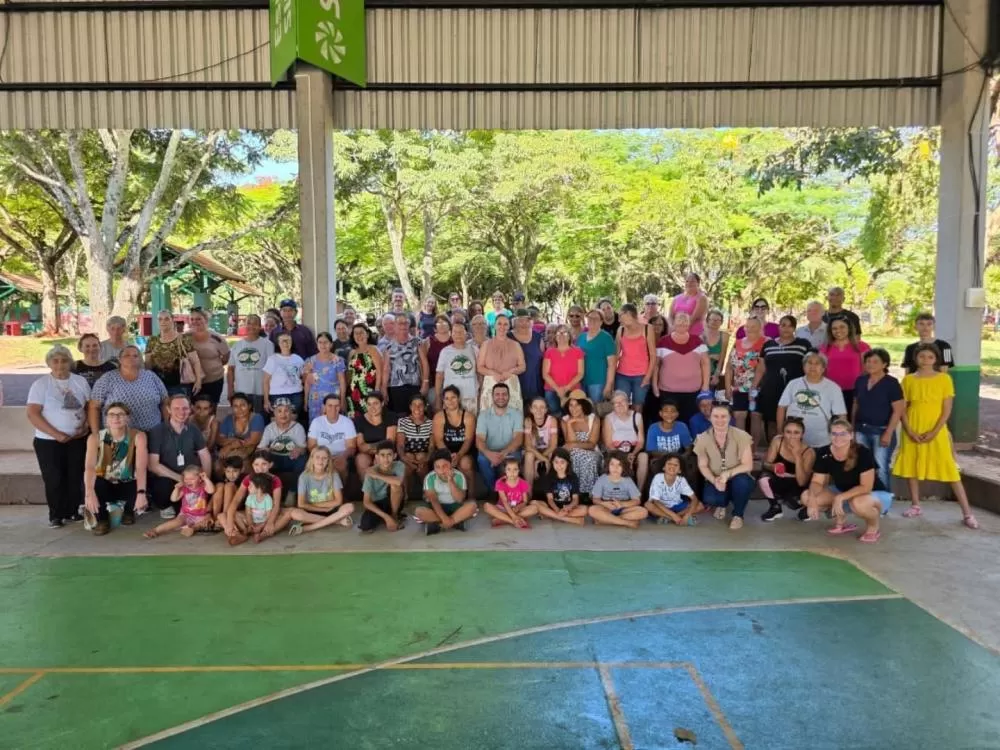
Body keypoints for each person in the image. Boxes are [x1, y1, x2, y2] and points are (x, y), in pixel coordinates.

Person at [893, 343, 979, 528]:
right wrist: (909, 430)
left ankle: (967, 513)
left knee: (950, 468)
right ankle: (915, 505)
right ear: (915, 358)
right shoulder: (908, 380)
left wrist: (935, 431)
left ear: (936, 360)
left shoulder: (944, 379)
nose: (925, 360)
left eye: (930, 357)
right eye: (922, 356)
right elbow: (903, 408)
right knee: (912, 466)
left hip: (936, 429)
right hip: (913, 428)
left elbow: (946, 409)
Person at [27, 344, 92, 528]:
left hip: (77, 439)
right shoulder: (40, 385)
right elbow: (32, 413)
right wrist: (56, 434)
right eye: (55, 361)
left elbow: (89, 407)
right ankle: (56, 515)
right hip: (48, 441)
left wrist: (85, 427)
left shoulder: (80, 381)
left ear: (70, 362)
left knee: (75, 476)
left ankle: (73, 511)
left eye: (64, 360)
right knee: (54, 478)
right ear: (49, 363)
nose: (60, 364)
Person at [800, 419, 892, 543]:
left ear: (851, 435)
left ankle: (873, 527)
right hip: (844, 492)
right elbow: (817, 482)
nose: (838, 437)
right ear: (829, 435)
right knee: (806, 496)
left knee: (858, 503)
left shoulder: (863, 452)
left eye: (843, 434)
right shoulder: (823, 452)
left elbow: (866, 487)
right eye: (834, 434)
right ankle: (841, 522)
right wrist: (812, 499)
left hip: (873, 494)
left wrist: (840, 497)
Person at [82, 402, 148, 535]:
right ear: (106, 419)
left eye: (120, 414)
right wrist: (89, 492)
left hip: (127, 482)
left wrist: (141, 493)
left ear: (127, 418)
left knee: (144, 481)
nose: (116, 418)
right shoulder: (95, 438)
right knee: (90, 484)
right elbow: (89, 467)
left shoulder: (138, 436)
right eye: (111, 415)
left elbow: (141, 467)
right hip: (105, 483)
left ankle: (128, 511)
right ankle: (102, 519)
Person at [147, 394, 212, 519]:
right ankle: (165, 506)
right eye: (176, 408)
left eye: (185, 408)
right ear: (168, 409)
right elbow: (153, 465)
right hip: (169, 478)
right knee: (163, 487)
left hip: (191, 478)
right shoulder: (157, 431)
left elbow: (204, 455)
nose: (181, 412)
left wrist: (205, 479)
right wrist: (181, 479)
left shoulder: (193, 429)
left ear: (190, 409)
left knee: (193, 511)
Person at [693, 402, 754, 529]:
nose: (720, 420)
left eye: (723, 416)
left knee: (742, 484)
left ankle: (738, 515)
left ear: (730, 418)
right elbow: (703, 465)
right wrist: (714, 480)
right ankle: (722, 504)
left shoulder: (741, 435)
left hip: (738, 476)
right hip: (716, 477)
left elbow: (748, 465)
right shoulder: (702, 438)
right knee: (710, 498)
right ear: (710, 418)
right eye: (716, 416)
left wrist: (727, 474)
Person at [852, 349, 905, 492]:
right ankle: (865, 497)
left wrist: (888, 433)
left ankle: (883, 500)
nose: (870, 364)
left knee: (881, 467)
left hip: (881, 431)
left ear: (884, 364)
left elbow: (898, 410)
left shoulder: (891, 383)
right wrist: (852, 427)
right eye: (868, 361)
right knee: (862, 466)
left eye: (875, 361)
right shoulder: (861, 381)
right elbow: (856, 405)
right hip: (861, 430)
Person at [89, 346, 169, 433]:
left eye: (135, 356)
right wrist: (95, 434)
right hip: (117, 435)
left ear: (140, 359)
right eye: (127, 355)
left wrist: (168, 427)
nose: (131, 358)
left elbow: (165, 401)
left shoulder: (151, 376)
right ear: (120, 359)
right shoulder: (107, 379)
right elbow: (94, 407)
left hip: (153, 432)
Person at [776, 352, 847, 450]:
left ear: (823, 368)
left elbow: (841, 415)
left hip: (821, 441)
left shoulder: (833, 388)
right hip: (793, 439)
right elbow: (781, 407)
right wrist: (780, 432)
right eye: (809, 363)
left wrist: (841, 438)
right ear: (803, 366)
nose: (813, 366)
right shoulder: (793, 384)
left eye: (817, 363)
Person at [758, 316, 812, 441]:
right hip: (771, 389)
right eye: (783, 325)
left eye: (790, 325)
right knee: (772, 421)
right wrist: (754, 387)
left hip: (796, 390)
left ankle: (795, 449)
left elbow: (811, 365)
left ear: (794, 328)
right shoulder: (768, 345)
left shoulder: (803, 344)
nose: (786, 328)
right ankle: (775, 448)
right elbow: (761, 369)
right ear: (779, 327)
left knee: (796, 421)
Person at [653, 312, 710, 425]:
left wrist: (705, 386)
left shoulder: (698, 341)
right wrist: (654, 385)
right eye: (679, 320)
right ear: (673, 323)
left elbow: (705, 363)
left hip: (693, 392)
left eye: (685, 321)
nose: (682, 323)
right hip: (668, 391)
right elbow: (656, 365)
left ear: (689, 324)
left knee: (690, 421)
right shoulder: (663, 341)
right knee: (669, 421)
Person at [758, 417, 814, 522]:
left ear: (802, 434)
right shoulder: (777, 441)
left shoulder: (809, 452)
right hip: (780, 479)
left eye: (796, 433)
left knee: (794, 503)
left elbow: (802, 482)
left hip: (797, 484)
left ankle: (806, 508)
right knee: (763, 478)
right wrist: (773, 466)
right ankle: (775, 508)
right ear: (783, 433)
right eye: (788, 432)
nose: (792, 436)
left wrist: (797, 456)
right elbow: (765, 464)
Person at [290, 446, 356, 535]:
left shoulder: (333, 475)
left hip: (331, 509)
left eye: (324, 458)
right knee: (295, 514)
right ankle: (337, 521)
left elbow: (338, 501)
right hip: (311, 511)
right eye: (317, 457)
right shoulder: (304, 477)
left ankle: (307, 528)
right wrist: (322, 509)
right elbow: (301, 504)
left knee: (349, 507)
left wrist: (318, 505)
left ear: (328, 461)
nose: (320, 461)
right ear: (312, 459)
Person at [223, 451, 285, 542]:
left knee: (287, 514)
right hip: (253, 513)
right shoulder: (248, 478)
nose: (260, 468)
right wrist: (229, 523)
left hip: (268, 513)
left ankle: (262, 533)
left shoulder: (275, 480)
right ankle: (240, 534)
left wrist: (270, 522)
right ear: (252, 465)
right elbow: (236, 500)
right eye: (256, 464)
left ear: (270, 465)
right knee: (225, 515)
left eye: (264, 464)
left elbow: (276, 504)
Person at [415, 449, 479, 535]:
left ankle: (438, 525)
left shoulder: (459, 476)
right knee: (419, 512)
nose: (441, 470)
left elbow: (459, 499)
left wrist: (450, 481)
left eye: (444, 466)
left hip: (455, 507)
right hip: (436, 508)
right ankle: (455, 522)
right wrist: (445, 518)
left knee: (473, 507)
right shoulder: (429, 477)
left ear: (451, 464)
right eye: (437, 467)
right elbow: (433, 500)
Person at [475, 382, 524, 492]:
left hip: (510, 451)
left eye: (504, 394)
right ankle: (494, 491)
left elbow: (518, 439)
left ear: (509, 396)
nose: (501, 397)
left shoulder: (516, 414)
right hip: (490, 451)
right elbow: (479, 440)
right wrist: (488, 453)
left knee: (514, 458)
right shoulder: (483, 415)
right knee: (482, 458)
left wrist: (504, 453)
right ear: (492, 397)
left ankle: (509, 491)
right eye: (497, 394)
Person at [143, 465, 215, 538]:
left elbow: (211, 490)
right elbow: (173, 499)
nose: (188, 481)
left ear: (200, 479)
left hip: (200, 515)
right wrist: (176, 488)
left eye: (192, 479)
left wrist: (206, 479)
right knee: (177, 522)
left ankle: (192, 529)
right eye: (186, 479)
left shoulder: (203, 486)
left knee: (204, 522)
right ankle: (156, 530)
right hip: (186, 514)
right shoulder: (184, 488)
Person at [724, 315, 766, 435]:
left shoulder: (765, 342)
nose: (750, 329)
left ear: (760, 328)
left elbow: (762, 368)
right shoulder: (737, 343)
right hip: (739, 388)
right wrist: (728, 388)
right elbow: (729, 367)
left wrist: (753, 387)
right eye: (747, 326)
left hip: (758, 388)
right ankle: (741, 445)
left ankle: (753, 446)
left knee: (755, 416)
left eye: (753, 326)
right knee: (739, 415)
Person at [145, 310, 202, 396]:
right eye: (160, 319)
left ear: (172, 320)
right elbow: (148, 364)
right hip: (158, 386)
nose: (163, 322)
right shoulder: (152, 341)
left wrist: (198, 381)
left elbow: (195, 361)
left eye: (166, 319)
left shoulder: (183, 339)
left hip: (180, 386)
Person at [820, 318, 870, 415]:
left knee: (853, 418)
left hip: (855, 391)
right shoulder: (825, 347)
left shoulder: (862, 346)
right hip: (831, 390)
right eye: (834, 328)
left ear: (849, 328)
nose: (838, 330)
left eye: (842, 327)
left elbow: (867, 370)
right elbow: (821, 370)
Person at [478, 315, 526, 412]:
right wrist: (493, 373)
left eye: (505, 324)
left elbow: (522, 366)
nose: (502, 327)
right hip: (491, 384)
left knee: (513, 415)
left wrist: (511, 371)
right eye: (499, 324)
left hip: (510, 383)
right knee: (489, 415)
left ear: (509, 327)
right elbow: (480, 367)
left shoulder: (516, 345)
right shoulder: (486, 344)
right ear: (494, 326)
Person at [227, 314, 274, 414]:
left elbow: (272, 370)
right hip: (241, 390)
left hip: (261, 391)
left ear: (260, 326)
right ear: (244, 325)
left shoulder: (268, 345)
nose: (251, 326)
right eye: (249, 323)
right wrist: (230, 389)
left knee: (260, 418)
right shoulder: (237, 345)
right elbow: (230, 369)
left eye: (255, 324)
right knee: (242, 418)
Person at [382, 314, 428, 414]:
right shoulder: (389, 346)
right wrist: (384, 388)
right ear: (395, 325)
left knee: (417, 414)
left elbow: (425, 364)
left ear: (409, 325)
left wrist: (425, 382)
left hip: (415, 385)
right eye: (400, 323)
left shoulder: (418, 342)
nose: (403, 325)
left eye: (406, 323)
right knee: (400, 417)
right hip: (396, 388)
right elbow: (386, 369)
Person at [614, 303, 656, 414]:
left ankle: (637, 425)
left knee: (638, 406)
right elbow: (616, 354)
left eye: (620, 316)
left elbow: (653, 355)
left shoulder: (647, 329)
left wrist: (648, 377)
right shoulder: (620, 330)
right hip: (622, 374)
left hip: (641, 375)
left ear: (629, 314)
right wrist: (611, 375)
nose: (619, 320)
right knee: (621, 404)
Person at [588, 451, 647, 528]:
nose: (615, 468)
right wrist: (604, 504)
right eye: (612, 464)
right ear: (607, 465)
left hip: (624, 509)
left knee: (643, 511)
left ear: (624, 467)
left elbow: (636, 500)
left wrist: (622, 504)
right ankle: (626, 523)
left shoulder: (628, 480)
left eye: (619, 465)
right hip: (607, 507)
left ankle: (606, 520)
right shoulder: (602, 479)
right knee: (592, 509)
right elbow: (595, 499)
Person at [603, 390, 648, 491]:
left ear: (628, 402)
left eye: (622, 401)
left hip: (634, 450)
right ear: (612, 406)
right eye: (616, 402)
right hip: (616, 451)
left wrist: (633, 454)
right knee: (619, 461)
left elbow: (641, 442)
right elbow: (608, 443)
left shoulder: (637, 416)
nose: (619, 404)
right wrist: (623, 456)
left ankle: (639, 492)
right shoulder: (609, 418)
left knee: (644, 457)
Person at [531, 448, 588, 526]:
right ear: (552, 463)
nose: (559, 465)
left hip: (568, 508)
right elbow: (550, 499)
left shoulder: (573, 477)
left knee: (584, 509)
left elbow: (575, 499)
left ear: (567, 463)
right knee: (534, 503)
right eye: (556, 462)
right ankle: (571, 519)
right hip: (553, 507)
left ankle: (551, 515)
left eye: (562, 462)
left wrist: (568, 507)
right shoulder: (549, 477)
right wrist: (557, 510)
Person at [359, 441, 407, 533]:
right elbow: (366, 502)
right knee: (365, 525)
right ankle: (386, 517)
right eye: (382, 455)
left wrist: (377, 475)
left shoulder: (399, 465)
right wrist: (386, 517)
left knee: (395, 486)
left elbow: (398, 482)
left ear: (394, 456)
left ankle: (394, 515)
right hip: (377, 503)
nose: (386, 459)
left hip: (393, 501)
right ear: (377, 457)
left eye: (389, 455)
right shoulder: (370, 472)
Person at [561, 389, 602, 495]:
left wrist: (574, 445)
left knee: (588, 458)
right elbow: (569, 442)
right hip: (573, 453)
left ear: (583, 405)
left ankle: (588, 494)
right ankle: (574, 493)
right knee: (573, 456)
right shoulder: (565, 420)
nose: (573, 408)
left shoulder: (594, 419)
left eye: (577, 405)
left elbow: (592, 444)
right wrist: (569, 424)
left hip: (592, 452)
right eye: (571, 405)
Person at [432, 385, 476, 484]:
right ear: (443, 400)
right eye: (447, 398)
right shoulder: (439, 417)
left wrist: (459, 455)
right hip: (444, 451)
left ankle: (471, 493)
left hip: (464, 451)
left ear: (458, 398)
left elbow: (468, 440)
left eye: (453, 397)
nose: (450, 401)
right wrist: (449, 456)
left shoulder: (469, 417)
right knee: (445, 465)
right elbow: (438, 440)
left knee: (465, 464)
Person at [187, 308, 230, 404]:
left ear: (206, 320)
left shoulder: (217, 338)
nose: (195, 322)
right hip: (192, 381)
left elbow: (226, 357)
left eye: (198, 319)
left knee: (211, 407)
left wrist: (212, 367)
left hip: (214, 380)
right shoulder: (185, 337)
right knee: (193, 408)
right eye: (192, 319)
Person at [435, 319, 479, 413]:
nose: (458, 334)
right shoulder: (445, 352)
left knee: (471, 421)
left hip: (470, 397)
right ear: (451, 334)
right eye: (455, 332)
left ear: (466, 334)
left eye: (461, 332)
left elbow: (479, 373)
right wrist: (438, 398)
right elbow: (439, 376)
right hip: (450, 399)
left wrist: (480, 393)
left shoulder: (474, 350)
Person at [307, 394, 357, 476]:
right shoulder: (316, 422)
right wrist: (324, 457)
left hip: (341, 456)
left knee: (341, 465)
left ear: (340, 407)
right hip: (321, 456)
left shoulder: (347, 422)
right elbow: (311, 446)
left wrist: (343, 457)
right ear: (324, 407)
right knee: (318, 465)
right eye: (330, 405)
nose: (333, 409)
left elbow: (351, 447)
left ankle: (340, 485)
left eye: (336, 406)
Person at [216, 392, 265, 473]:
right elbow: (220, 440)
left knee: (239, 460)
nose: (239, 409)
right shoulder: (228, 419)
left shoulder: (256, 418)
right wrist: (234, 441)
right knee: (217, 466)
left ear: (249, 406)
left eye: (243, 405)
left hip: (251, 454)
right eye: (235, 406)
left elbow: (253, 440)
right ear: (232, 408)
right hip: (230, 453)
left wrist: (230, 446)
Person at [304, 332, 347, 424]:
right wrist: (305, 401)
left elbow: (342, 381)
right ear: (317, 344)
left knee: (333, 424)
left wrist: (342, 401)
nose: (323, 345)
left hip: (332, 401)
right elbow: (307, 383)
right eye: (320, 342)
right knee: (316, 425)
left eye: (326, 342)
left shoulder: (338, 360)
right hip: (315, 400)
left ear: (331, 344)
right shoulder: (310, 361)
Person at [646, 454, 701, 526]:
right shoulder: (658, 478)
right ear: (663, 467)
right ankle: (674, 518)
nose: (672, 466)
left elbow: (694, 498)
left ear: (680, 470)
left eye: (676, 465)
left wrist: (687, 515)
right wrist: (673, 516)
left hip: (676, 505)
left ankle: (672, 517)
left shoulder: (681, 480)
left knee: (700, 505)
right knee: (648, 505)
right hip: (661, 506)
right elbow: (656, 501)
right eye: (669, 464)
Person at [541, 324, 584, 417]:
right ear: (555, 336)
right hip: (552, 390)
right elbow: (545, 374)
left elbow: (580, 373)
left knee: (573, 415)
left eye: (565, 333)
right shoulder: (549, 352)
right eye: (559, 333)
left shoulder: (578, 351)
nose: (561, 335)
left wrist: (567, 388)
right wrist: (558, 389)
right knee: (554, 415)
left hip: (573, 389)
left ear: (569, 336)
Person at [484, 456, 538, 528]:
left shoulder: (523, 483)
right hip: (503, 508)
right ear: (505, 470)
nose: (512, 472)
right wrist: (513, 516)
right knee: (486, 506)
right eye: (509, 469)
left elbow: (525, 501)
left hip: (517, 509)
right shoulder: (500, 482)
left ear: (519, 470)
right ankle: (514, 521)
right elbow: (504, 501)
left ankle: (503, 519)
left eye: (515, 469)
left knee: (535, 508)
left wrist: (519, 507)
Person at [354, 391, 398, 479]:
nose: (372, 407)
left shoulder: (390, 416)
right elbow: (361, 446)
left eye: (375, 403)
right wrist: (377, 448)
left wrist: (371, 448)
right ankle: (367, 487)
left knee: (382, 459)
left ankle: (383, 487)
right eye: (369, 404)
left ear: (382, 403)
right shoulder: (359, 420)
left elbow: (390, 442)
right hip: (367, 453)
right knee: (361, 460)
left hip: (386, 451)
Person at [578, 309, 617, 405]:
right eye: (590, 318)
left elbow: (612, 365)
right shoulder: (581, 337)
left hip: (598, 381)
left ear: (601, 322)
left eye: (595, 318)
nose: (592, 320)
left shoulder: (606, 338)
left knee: (596, 409)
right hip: (581, 380)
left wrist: (609, 385)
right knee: (584, 408)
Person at [645, 397, 693, 475]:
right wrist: (671, 459)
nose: (669, 414)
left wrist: (680, 459)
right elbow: (652, 451)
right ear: (660, 413)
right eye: (666, 411)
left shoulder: (682, 426)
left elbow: (688, 449)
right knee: (656, 465)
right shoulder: (653, 428)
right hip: (660, 460)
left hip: (679, 459)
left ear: (677, 414)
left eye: (673, 411)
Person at [346, 322, 384, 418]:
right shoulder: (352, 353)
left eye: (361, 332)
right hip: (353, 393)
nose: (359, 335)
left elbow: (380, 371)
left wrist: (377, 390)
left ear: (367, 334)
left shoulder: (373, 349)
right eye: (356, 333)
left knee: (370, 418)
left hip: (369, 391)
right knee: (355, 419)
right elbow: (349, 374)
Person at [262, 332, 305, 418]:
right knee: (277, 421)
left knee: (292, 421)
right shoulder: (272, 359)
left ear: (292, 342)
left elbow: (303, 377)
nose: (285, 343)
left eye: (288, 340)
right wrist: (266, 400)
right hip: (277, 395)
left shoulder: (298, 359)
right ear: (278, 343)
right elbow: (265, 381)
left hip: (295, 394)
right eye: (282, 341)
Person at [396, 393, 433, 491]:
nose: (417, 408)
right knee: (408, 458)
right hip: (407, 455)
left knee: (421, 457)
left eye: (420, 405)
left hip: (423, 455)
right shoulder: (402, 421)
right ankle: (406, 493)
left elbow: (431, 446)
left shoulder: (431, 423)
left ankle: (427, 492)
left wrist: (426, 458)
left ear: (425, 407)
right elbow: (400, 445)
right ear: (410, 407)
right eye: (414, 405)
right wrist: (403, 457)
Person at [510, 310, 544, 407]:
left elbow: (542, 359)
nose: (524, 323)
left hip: (536, 383)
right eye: (520, 320)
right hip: (516, 382)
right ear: (514, 322)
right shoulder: (508, 337)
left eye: (527, 320)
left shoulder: (537, 337)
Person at [522, 396, 558, 488]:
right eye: (535, 407)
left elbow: (553, 445)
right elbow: (528, 446)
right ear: (530, 409)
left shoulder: (552, 420)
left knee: (552, 453)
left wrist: (539, 460)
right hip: (534, 451)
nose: (538, 410)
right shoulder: (528, 421)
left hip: (547, 450)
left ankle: (550, 490)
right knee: (529, 455)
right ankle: (528, 492)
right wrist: (543, 459)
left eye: (542, 407)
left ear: (546, 409)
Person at [422, 314, 453, 408]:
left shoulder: (455, 339)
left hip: (453, 382)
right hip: (434, 383)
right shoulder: (428, 341)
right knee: (436, 407)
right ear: (435, 328)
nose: (442, 324)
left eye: (444, 322)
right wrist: (425, 381)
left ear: (449, 325)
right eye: (438, 323)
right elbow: (423, 364)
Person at [702, 309, 729, 394]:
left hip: (714, 372)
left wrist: (717, 374)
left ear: (721, 322)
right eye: (712, 319)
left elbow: (722, 357)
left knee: (710, 396)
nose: (715, 322)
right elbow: (698, 357)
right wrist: (711, 356)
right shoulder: (701, 336)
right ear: (707, 320)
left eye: (718, 320)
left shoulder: (724, 336)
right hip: (701, 371)